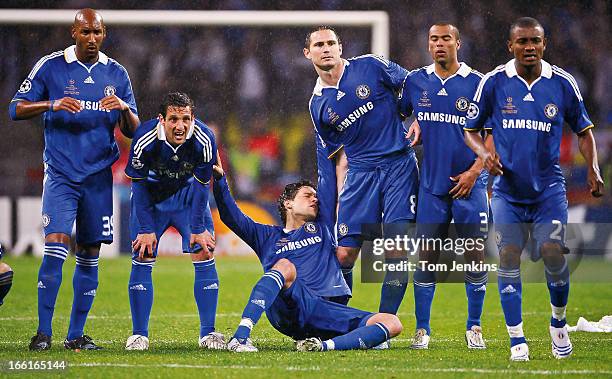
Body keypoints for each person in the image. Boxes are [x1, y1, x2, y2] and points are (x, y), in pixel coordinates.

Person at [464, 17, 605, 361]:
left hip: (548, 191)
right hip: (508, 192)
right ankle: (517, 341)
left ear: (544, 44)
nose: (529, 47)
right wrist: (485, 155)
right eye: (523, 41)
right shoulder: (494, 82)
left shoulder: (562, 83)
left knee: (555, 256)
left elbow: (584, 131)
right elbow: (470, 129)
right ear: (510, 46)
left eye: (536, 41)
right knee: (509, 256)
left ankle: (558, 324)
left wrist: (594, 169)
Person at [9, 8, 139, 351]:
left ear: (104, 34)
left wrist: (124, 109)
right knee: (55, 245)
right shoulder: (50, 66)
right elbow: (15, 108)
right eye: (86, 33)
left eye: (97, 32)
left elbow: (133, 131)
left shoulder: (117, 72)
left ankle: (76, 335)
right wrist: (51, 104)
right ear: (73, 33)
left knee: (89, 252)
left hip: (99, 177)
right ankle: (42, 332)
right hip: (62, 176)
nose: (92, 39)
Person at [212, 155, 402, 352]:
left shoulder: (323, 226)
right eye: (307, 195)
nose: (315, 199)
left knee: (392, 323)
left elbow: (327, 178)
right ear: (288, 203)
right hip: (287, 310)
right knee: (285, 265)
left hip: (324, 310)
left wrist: (327, 144)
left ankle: (321, 346)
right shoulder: (266, 235)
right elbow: (230, 215)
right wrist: (219, 180)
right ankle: (241, 337)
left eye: (315, 196)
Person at [304, 26, 419, 315]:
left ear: (341, 47)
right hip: (360, 172)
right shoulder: (318, 105)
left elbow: (415, 83)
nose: (326, 48)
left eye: (331, 42)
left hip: (398, 166)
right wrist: (327, 215)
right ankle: (339, 320)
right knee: (343, 253)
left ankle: (384, 323)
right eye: (319, 45)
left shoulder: (370, 65)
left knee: (397, 250)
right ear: (308, 54)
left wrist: (418, 116)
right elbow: (328, 163)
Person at [399, 23, 491, 350]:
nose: (439, 44)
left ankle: (474, 326)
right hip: (432, 186)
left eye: (446, 39)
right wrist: (417, 121)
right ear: (428, 44)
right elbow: (402, 113)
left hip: (471, 185)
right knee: (426, 256)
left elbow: (493, 136)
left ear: (457, 42)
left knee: (475, 255)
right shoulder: (415, 81)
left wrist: (475, 171)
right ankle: (422, 330)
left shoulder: (479, 83)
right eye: (434, 39)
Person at [124, 92, 224, 351]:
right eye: (173, 119)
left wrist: (199, 228)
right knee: (143, 254)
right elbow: (139, 184)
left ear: (193, 119)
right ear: (162, 120)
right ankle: (139, 335)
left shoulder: (205, 139)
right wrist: (146, 229)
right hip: (152, 202)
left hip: (188, 199)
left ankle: (208, 334)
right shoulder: (144, 139)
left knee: (204, 250)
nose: (180, 126)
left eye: (186, 119)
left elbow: (203, 185)